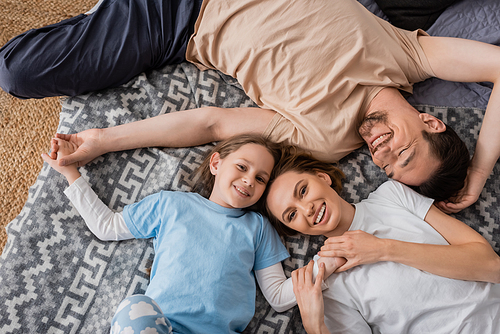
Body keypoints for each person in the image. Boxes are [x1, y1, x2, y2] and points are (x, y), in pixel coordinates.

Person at [2, 0, 499, 211]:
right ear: (430, 120)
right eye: (404, 154)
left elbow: (214, 122)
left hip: (178, 19)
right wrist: (477, 170)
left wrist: (100, 141)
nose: (382, 155)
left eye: (388, 168)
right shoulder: (413, 54)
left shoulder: (326, 138)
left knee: (17, 71)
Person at [40, 134, 341, 333]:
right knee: (133, 307)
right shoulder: (170, 204)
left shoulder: (257, 227)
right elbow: (107, 226)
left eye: (260, 178)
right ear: (216, 162)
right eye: (242, 167)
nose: (249, 180)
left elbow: (277, 295)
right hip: (163, 324)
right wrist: (70, 172)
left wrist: (328, 261)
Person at [261, 149, 500, 334]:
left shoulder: (392, 195)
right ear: (293, 229)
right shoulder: (326, 279)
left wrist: (384, 249)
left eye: (303, 191)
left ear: (323, 178)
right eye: (291, 215)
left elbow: (493, 267)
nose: (307, 209)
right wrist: (315, 327)